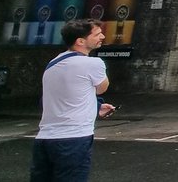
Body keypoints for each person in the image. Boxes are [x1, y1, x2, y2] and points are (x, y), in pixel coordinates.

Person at [31, 19, 115, 182]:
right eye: (97, 34)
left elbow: (65, 95)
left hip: (44, 139)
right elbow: (102, 88)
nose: (102, 37)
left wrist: (96, 107)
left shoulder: (53, 63)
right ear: (81, 41)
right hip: (74, 139)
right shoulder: (93, 63)